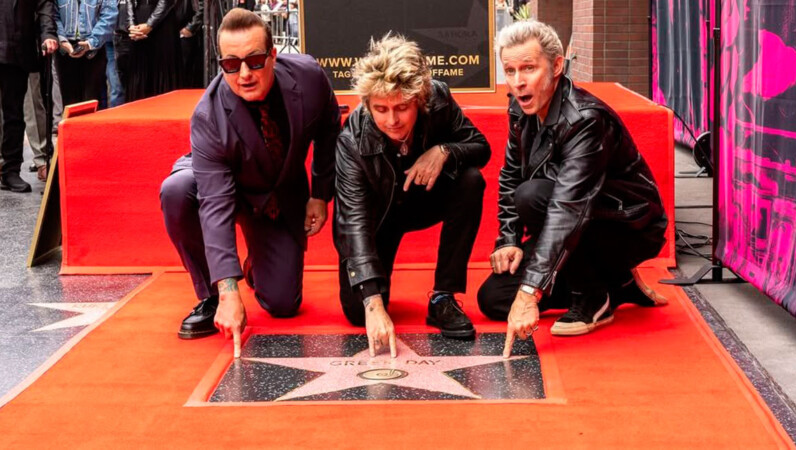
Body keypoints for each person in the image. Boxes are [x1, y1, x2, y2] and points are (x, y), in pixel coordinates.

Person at [477, 20, 668, 357]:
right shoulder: (520, 108)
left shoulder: (584, 119)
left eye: (529, 68)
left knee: (532, 196)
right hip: (571, 219)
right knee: (493, 299)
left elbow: (568, 207)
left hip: (626, 227)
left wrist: (530, 293)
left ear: (556, 66)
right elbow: (510, 174)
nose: (518, 81)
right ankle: (617, 283)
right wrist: (508, 239)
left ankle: (595, 295)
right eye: (510, 70)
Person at [159, 8, 340, 357]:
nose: (243, 74)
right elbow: (214, 205)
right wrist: (228, 292)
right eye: (231, 64)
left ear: (273, 55)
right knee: (177, 191)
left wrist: (319, 194)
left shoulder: (308, 77)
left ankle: (256, 264)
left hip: (277, 194)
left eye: (255, 61)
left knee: (284, 304)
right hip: (216, 185)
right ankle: (209, 296)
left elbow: (330, 129)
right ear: (220, 63)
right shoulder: (208, 115)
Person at [335, 34, 490, 357]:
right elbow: (353, 221)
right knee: (356, 312)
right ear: (367, 104)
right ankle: (378, 289)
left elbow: (481, 148)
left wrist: (444, 150)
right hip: (379, 217)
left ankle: (443, 297)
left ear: (419, 99)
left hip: (424, 199)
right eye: (380, 109)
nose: (392, 120)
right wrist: (373, 302)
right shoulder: (351, 139)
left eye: (402, 107)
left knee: (470, 180)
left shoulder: (440, 100)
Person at [0, 0, 58, 193]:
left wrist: (48, 34)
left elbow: (44, 6)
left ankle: (10, 170)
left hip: (16, 50)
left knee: (14, 116)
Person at [53, 0, 118, 108]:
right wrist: (62, 39)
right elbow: (53, 15)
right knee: (69, 102)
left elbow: (109, 15)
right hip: (66, 47)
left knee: (92, 101)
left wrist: (90, 43)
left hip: (93, 47)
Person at [117, 0, 182, 102]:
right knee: (138, 74)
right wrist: (131, 24)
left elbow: (166, 2)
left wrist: (149, 25)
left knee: (161, 73)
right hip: (138, 23)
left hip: (162, 24)